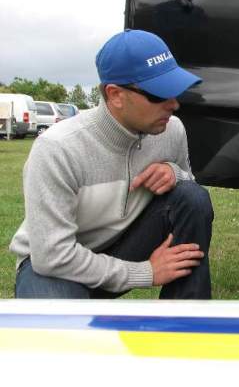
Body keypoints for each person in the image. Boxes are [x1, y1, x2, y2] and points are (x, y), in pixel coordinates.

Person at [10, 29, 214, 299]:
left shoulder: (171, 130)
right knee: (64, 321)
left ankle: (185, 319)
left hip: (122, 245)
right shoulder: (57, 148)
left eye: (175, 90)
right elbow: (52, 256)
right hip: (55, 267)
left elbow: (190, 189)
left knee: (192, 198)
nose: (174, 104)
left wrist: (174, 173)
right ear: (115, 94)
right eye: (159, 94)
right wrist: (145, 272)